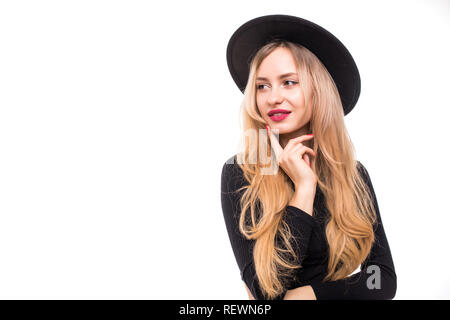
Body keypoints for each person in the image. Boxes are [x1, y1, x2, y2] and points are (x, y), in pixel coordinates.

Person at [220, 14, 397, 300]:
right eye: (262, 86)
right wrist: (303, 189)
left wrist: (306, 296)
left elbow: (382, 280)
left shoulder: (353, 173)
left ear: (319, 89)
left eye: (289, 82)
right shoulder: (241, 171)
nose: (273, 97)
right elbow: (266, 293)